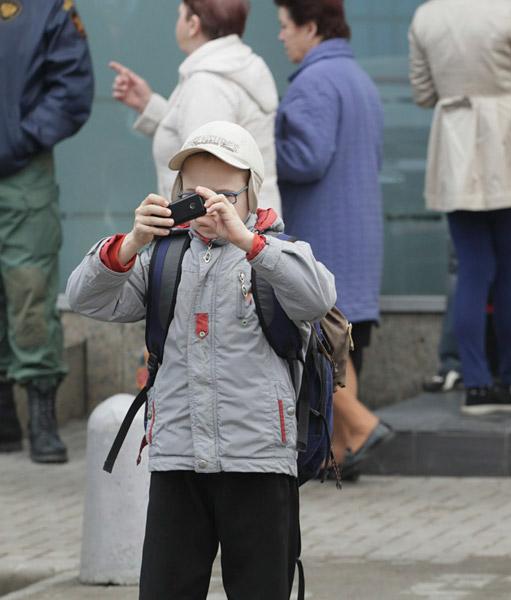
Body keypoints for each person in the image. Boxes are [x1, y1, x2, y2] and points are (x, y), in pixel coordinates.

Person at [66, 121, 336, 599]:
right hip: (177, 458)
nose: (208, 209)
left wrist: (248, 242)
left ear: (252, 195)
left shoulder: (275, 253)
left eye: (224, 197)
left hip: (257, 460)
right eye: (193, 197)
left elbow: (318, 297)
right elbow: (84, 298)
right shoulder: (162, 259)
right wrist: (129, 244)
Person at [409, 0, 511, 415]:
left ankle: (474, 384)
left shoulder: (426, 15)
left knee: (472, 268)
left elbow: (422, 92)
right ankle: (510, 383)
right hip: (508, 141)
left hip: (455, 146)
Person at [273, 0, 391, 478]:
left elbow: (306, 158)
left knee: (322, 344)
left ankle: (359, 431)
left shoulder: (314, 82)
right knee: (341, 342)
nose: (281, 37)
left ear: (311, 27)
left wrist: (259, 145)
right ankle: (341, 454)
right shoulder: (357, 77)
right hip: (357, 233)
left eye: (285, 27)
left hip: (323, 237)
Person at [0, 0, 93, 463]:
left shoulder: (48, 9)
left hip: (22, 170)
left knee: (29, 286)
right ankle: (4, 420)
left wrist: (18, 139)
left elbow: (73, 89)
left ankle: (41, 414)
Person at [109, 0, 282, 212]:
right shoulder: (233, 70)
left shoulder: (207, 84)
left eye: (180, 14)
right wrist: (149, 105)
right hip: (247, 228)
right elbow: (202, 139)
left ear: (193, 24)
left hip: (220, 236)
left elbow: (206, 172)